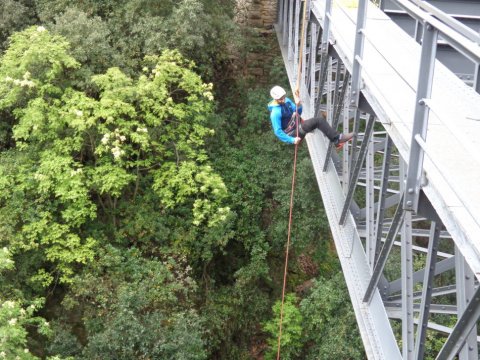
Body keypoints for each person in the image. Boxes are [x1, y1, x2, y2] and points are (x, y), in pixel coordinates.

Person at [267, 85, 354, 147]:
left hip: (297, 124)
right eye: (280, 99)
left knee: (318, 122)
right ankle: (337, 139)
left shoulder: (287, 101)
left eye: (283, 97)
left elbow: (299, 112)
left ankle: (336, 140)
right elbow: (277, 132)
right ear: (275, 99)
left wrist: (298, 105)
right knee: (318, 121)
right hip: (292, 134)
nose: (283, 100)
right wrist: (292, 140)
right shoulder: (275, 113)